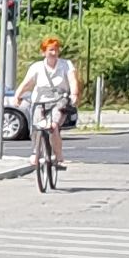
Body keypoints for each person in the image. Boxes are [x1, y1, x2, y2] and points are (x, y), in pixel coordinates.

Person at [14, 34, 81, 191]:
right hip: (40, 101)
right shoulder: (37, 67)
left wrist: (74, 94)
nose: (54, 52)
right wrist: (18, 95)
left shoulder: (66, 65)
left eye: (56, 49)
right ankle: (35, 153)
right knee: (37, 126)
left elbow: (72, 81)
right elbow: (27, 83)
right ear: (43, 52)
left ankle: (58, 156)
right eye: (50, 50)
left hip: (59, 100)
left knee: (52, 125)